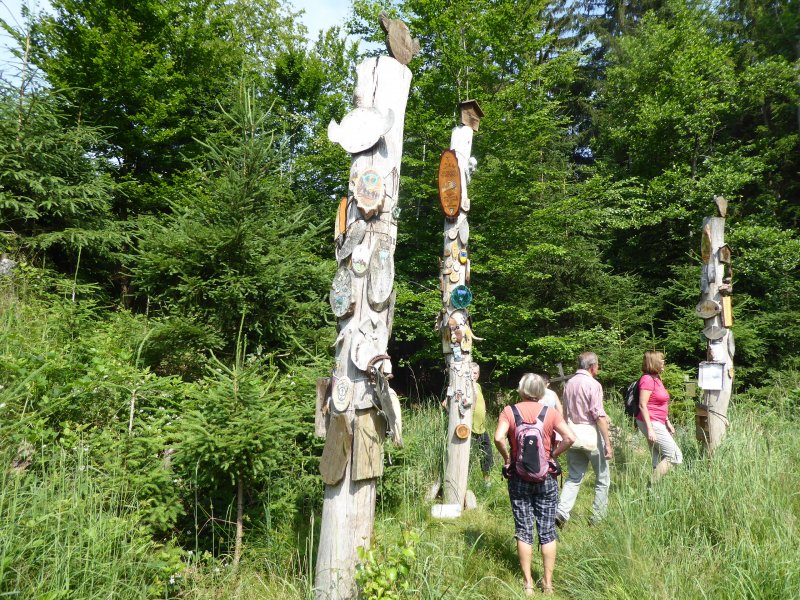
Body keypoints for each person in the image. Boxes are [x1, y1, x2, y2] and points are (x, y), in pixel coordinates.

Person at [494, 373, 575, 596]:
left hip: (519, 478)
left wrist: (508, 459)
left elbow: (499, 438)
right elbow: (570, 438)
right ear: (541, 391)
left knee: (524, 529)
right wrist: (552, 457)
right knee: (547, 531)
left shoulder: (509, 412)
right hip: (546, 478)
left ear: (521, 390)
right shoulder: (550, 413)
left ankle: (528, 583)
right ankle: (548, 584)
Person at [555, 352, 613, 526]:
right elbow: (598, 415)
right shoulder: (593, 384)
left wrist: (564, 435)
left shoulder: (569, 383)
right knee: (603, 478)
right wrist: (608, 443)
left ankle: (561, 512)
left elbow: (564, 413)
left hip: (573, 434)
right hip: (591, 435)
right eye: (598, 365)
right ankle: (597, 518)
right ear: (592, 366)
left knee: (574, 476)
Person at [636, 351, 683, 480]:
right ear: (653, 362)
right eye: (661, 360)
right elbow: (642, 405)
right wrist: (650, 429)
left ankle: (655, 495)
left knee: (657, 456)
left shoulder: (657, 378)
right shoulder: (647, 379)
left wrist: (667, 421)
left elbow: (660, 402)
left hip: (658, 421)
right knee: (674, 456)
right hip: (651, 422)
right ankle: (651, 486)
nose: (663, 362)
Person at [470, 363, 493, 485]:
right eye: (470, 372)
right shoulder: (463, 386)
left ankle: (487, 483)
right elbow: (445, 404)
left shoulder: (478, 386)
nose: (473, 375)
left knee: (487, 456)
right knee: (468, 458)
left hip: (481, 428)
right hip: (469, 430)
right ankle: (465, 483)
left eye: (475, 373)